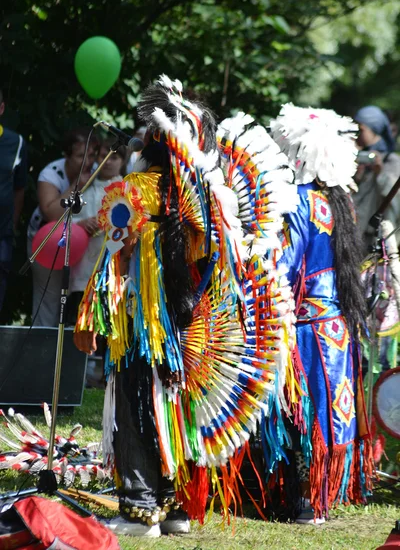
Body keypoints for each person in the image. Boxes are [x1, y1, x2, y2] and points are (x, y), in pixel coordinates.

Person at [73, 77, 299, 536]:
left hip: (141, 322)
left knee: (136, 404)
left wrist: (93, 308)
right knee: (173, 407)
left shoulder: (134, 189)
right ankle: (174, 509)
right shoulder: (196, 196)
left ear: (152, 142)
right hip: (186, 319)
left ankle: (139, 506)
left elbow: (109, 244)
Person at [269, 104, 373, 524]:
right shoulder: (341, 203)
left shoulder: (297, 201)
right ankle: (330, 494)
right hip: (338, 327)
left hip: (306, 328)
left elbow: (286, 266)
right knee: (334, 410)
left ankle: (303, 500)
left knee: (302, 409)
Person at [27, 127, 99, 327]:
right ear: (66, 156)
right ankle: (41, 350)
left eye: (91, 155)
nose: (88, 161)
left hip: (81, 246)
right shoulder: (51, 174)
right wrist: (75, 187)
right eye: (80, 156)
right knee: (48, 299)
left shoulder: (96, 173)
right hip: (47, 243)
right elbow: (51, 213)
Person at [67, 140, 126, 324]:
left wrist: (110, 229)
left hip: (110, 264)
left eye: (114, 157)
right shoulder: (83, 187)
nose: (107, 162)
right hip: (82, 265)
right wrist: (81, 223)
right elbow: (65, 220)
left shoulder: (126, 189)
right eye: (103, 157)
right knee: (79, 319)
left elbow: (132, 228)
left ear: (123, 161)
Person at [353, 105, 400, 251]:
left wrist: (380, 173)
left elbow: (395, 198)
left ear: (375, 130)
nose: (357, 135)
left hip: (377, 241)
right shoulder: (357, 157)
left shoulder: (392, 160)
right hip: (355, 235)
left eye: (361, 130)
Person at [0, 87, 28, 315]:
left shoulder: (16, 142)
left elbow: (20, 188)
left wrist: (13, 223)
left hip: (2, 234)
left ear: (1, 109)